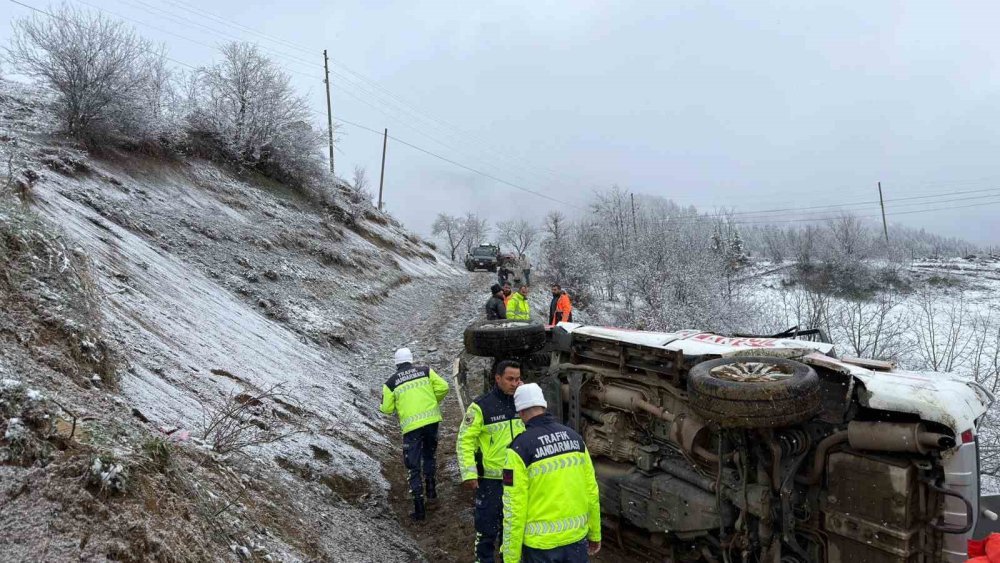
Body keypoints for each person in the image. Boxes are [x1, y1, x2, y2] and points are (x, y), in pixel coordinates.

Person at [501, 384, 601, 563]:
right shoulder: (575, 439)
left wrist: (510, 557)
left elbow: (514, 509)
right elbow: (591, 492)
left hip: (541, 548)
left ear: (521, 412)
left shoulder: (519, 449)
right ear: (544, 406)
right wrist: (595, 533)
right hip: (576, 541)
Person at [456, 361, 526, 563]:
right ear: (497, 378)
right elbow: (465, 440)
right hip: (490, 482)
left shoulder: (523, 404)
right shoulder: (481, 406)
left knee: (513, 529)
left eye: (517, 379)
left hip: (518, 480)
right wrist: (469, 473)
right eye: (510, 379)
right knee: (486, 530)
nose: (514, 383)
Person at [380, 347, 450, 521]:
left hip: (411, 428)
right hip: (431, 422)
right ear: (411, 359)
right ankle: (432, 493)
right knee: (429, 456)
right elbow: (444, 387)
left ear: (396, 363)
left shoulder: (390, 383)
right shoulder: (426, 371)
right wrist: (433, 402)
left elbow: (387, 409)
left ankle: (419, 509)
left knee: (413, 466)